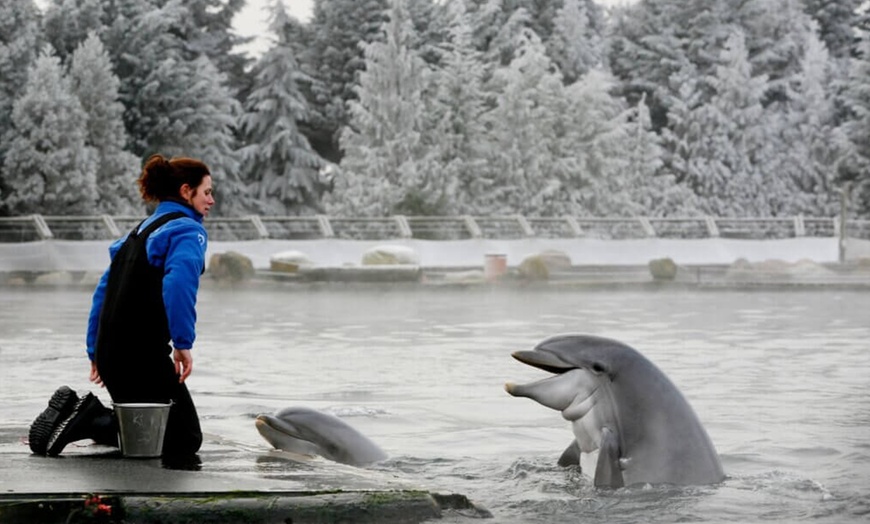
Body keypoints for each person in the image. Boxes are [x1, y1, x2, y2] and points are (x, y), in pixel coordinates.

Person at [28, 153, 214, 458]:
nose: (211, 200)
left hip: (113, 353)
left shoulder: (138, 232)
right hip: (141, 356)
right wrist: (183, 343)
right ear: (185, 191)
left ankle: (85, 418)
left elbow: (102, 294)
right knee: (184, 439)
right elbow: (179, 285)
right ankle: (90, 418)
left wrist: (95, 351)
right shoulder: (186, 231)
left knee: (151, 430)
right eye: (206, 192)